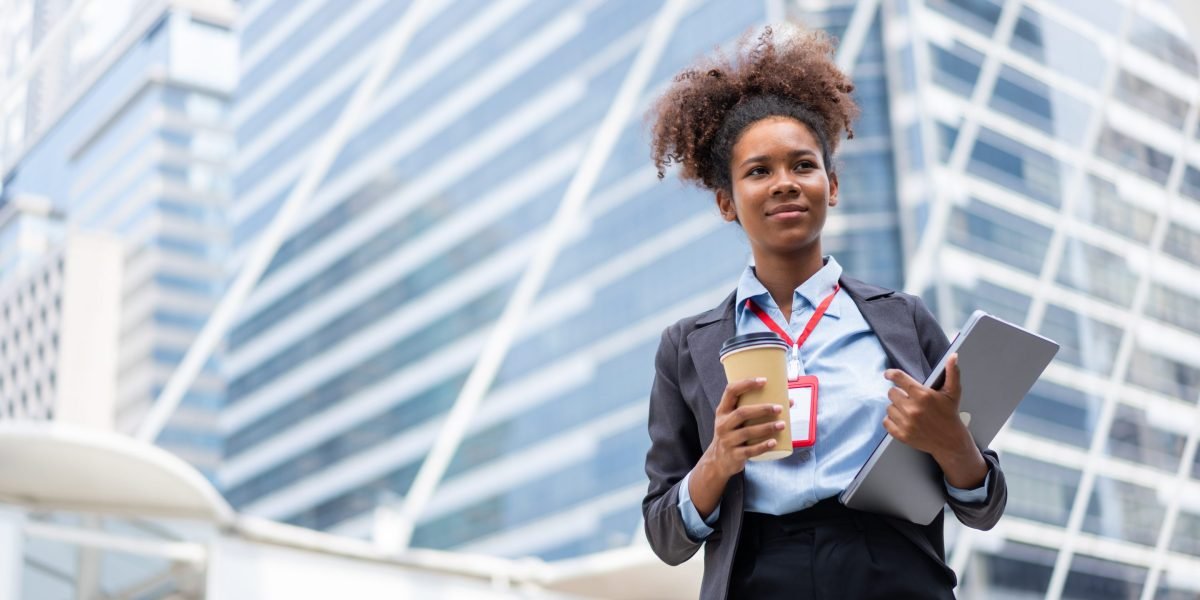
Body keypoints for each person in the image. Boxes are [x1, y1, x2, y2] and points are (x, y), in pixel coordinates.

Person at [641, 26, 1006, 600]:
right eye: (759, 171)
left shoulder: (903, 320)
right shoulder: (687, 346)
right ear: (725, 202)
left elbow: (983, 508)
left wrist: (953, 444)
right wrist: (717, 461)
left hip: (894, 572)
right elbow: (665, 537)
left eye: (803, 166)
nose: (785, 184)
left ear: (831, 185)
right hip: (761, 576)